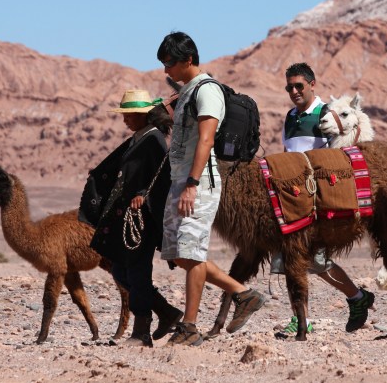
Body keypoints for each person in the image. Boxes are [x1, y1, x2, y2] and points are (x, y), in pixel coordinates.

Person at [157, 31, 266, 346]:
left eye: (170, 63)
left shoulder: (207, 91)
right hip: (182, 181)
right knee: (179, 254)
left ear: (188, 60)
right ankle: (243, 294)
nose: (167, 71)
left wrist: (192, 183)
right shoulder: (188, 92)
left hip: (198, 183)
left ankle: (189, 327)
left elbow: (206, 139)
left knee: (191, 251)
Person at [272, 62, 375, 337]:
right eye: (289, 87)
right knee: (293, 260)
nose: (293, 91)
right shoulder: (290, 116)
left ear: (311, 84)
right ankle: (302, 317)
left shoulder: (325, 114)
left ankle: (356, 297)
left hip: (315, 197)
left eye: (299, 86)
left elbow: (337, 154)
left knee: (315, 260)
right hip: (291, 197)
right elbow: (287, 152)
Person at [89, 89, 181, 347]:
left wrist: (142, 195)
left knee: (138, 272)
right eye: (125, 114)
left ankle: (142, 332)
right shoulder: (140, 138)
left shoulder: (153, 141)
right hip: (129, 217)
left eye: (130, 114)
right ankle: (166, 311)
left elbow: (160, 178)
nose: (125, 119)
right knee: (121, 269)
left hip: (144, 219)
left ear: (144, 115)